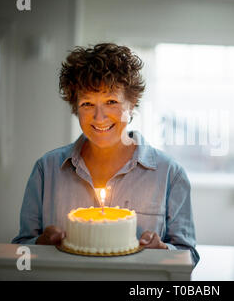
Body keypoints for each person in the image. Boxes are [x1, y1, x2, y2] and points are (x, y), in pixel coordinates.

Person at [12, 43, 199, 265]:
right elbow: (20, 251)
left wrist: (161, 249)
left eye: (111, 102)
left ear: (132, 103)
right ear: (75, 108)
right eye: (87, 104)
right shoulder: (47, 169)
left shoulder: (170, 174)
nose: (99, 117)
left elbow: (189, 257)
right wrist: (41, 244)